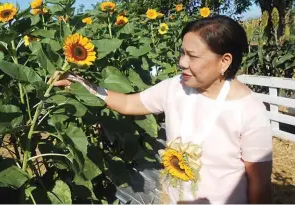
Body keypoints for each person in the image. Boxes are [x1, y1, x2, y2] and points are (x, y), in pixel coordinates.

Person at [54, 15, 273, 204]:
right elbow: (129, 103)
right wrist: (82, 84)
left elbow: (259, 185)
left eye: (192, 56)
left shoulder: (249, 110)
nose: (182, 62)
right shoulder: (175, 88)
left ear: (224, 61)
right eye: (182, 53)